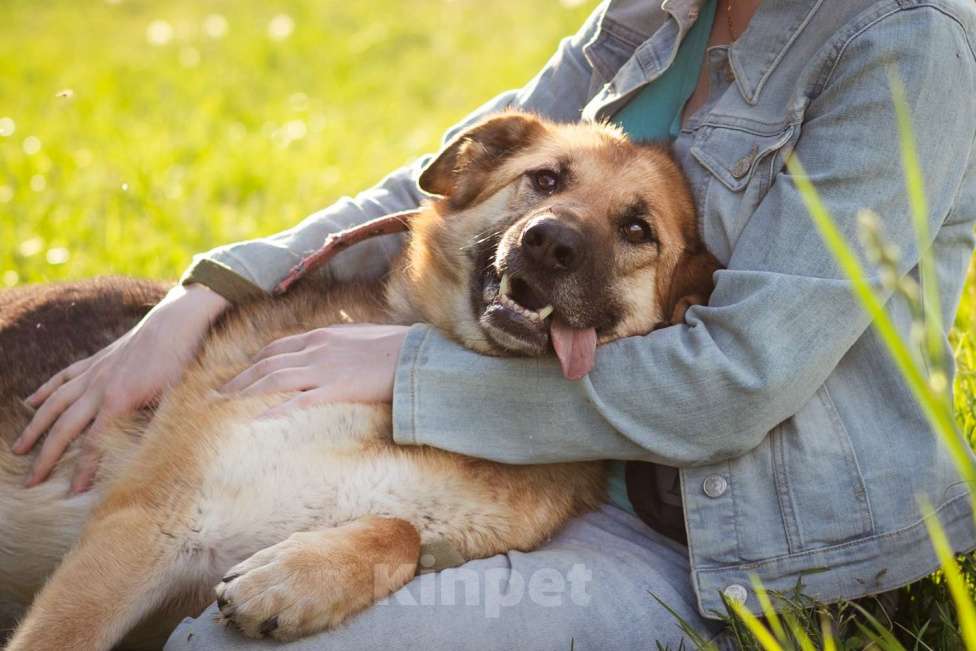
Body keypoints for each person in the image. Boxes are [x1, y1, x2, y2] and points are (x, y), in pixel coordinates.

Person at [14, 0, 976, 648]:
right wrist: (206, 293)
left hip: (716, 539)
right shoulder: (660, 8)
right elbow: (456, 173)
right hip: (549, 464)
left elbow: (742, 380)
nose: (562, 225)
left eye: (634, 226)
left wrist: (407, 371)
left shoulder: (913, 44)